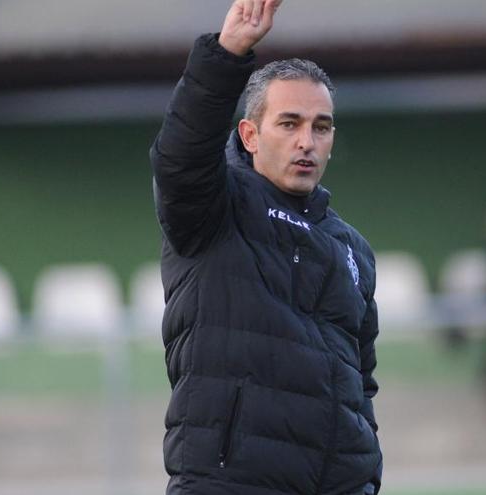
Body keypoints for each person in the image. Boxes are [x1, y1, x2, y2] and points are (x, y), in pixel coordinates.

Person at [149, 1, 383, 493]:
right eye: (290, 123)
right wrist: (228, 52)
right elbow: (180, 158)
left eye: (321, 127)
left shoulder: (352, 249)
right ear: (250, 135)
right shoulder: (215, 209)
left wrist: (364, 476)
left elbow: (361, 385)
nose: (307, 142)